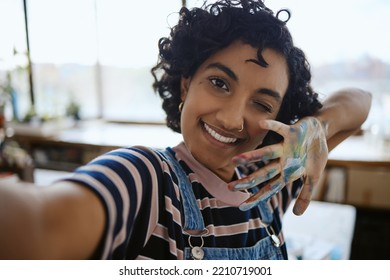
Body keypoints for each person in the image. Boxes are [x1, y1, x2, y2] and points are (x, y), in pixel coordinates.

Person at [0, 0, 371, 260]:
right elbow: (40, 227)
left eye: (262, 103)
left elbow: (361, 100)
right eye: (219, 83)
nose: (231, 119)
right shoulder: (145, 181)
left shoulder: (270, 181)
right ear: (185, 85)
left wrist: (316, 127)